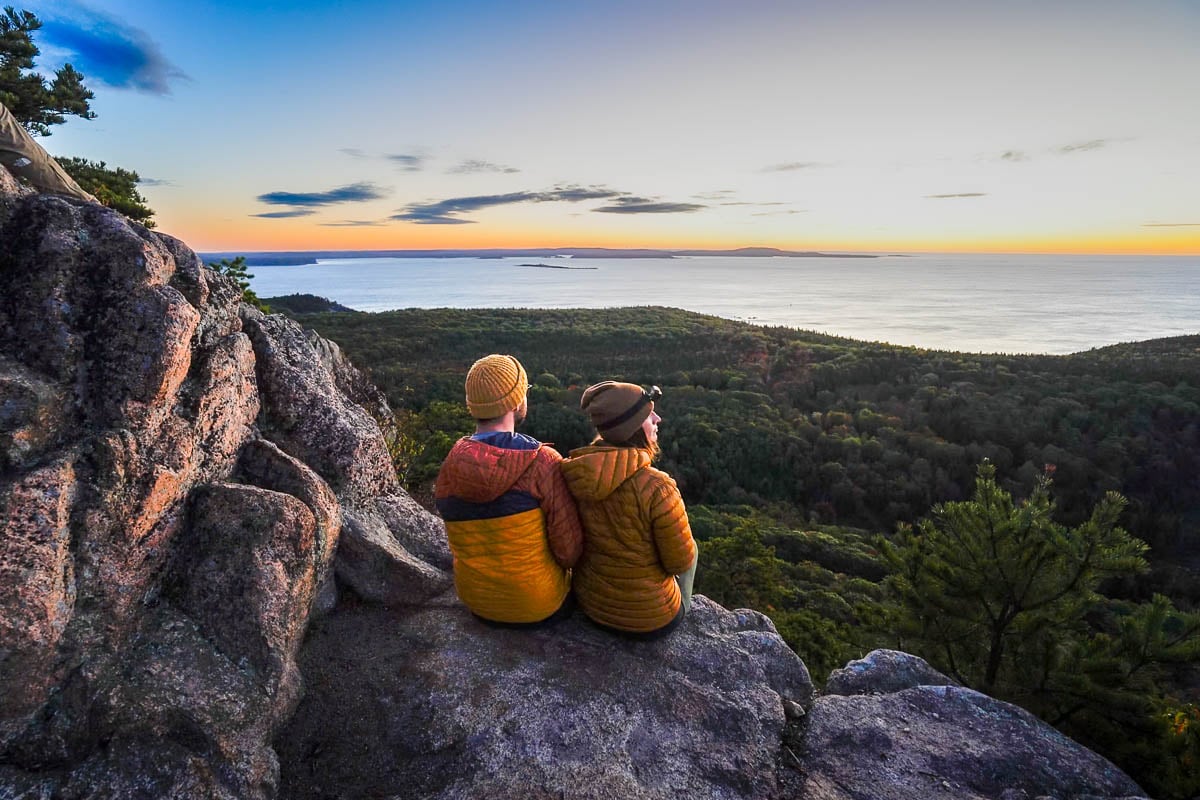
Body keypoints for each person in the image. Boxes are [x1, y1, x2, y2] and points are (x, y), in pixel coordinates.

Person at [435, 354, 583, 625]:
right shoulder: (543, 463)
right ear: (516, 402)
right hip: (540, 605)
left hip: (478, 603)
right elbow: (568, 551)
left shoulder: (450, 465)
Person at [560, 381, 697, 638]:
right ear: (632, 428)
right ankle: (687, 613)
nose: (658, 418)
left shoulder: (572, 473)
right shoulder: (658, 487)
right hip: (651, 619)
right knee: (691, 548)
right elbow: (679, 562)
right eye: (648, 415)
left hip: (591, 606)